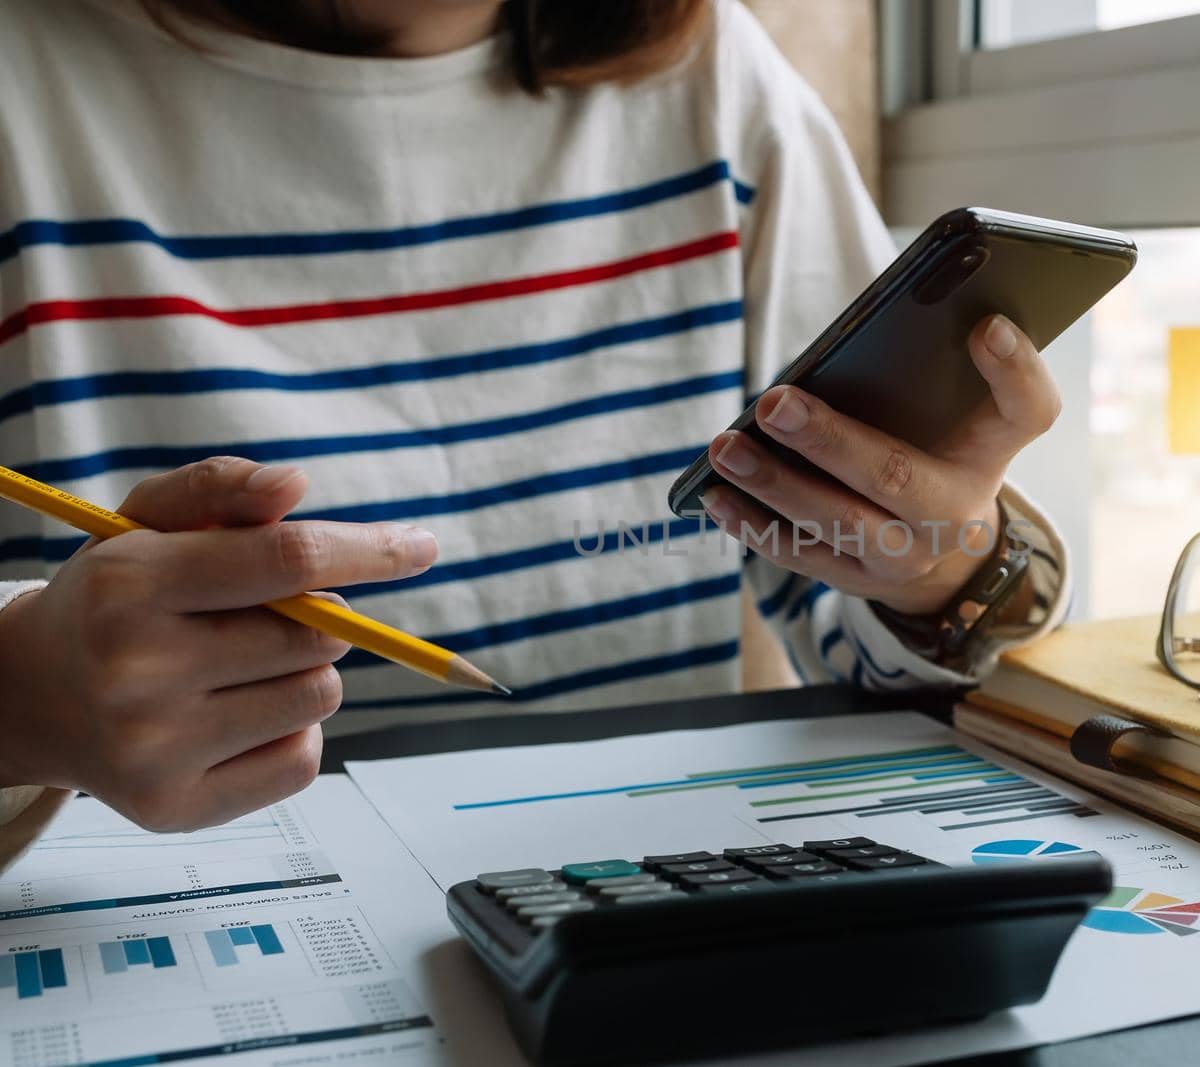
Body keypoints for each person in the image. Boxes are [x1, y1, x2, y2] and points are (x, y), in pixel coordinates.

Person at [0, 0, 1071, 868]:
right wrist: (23, 700)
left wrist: (949, 575)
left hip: (644, 920)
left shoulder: (717, 84)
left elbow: (851, 621)